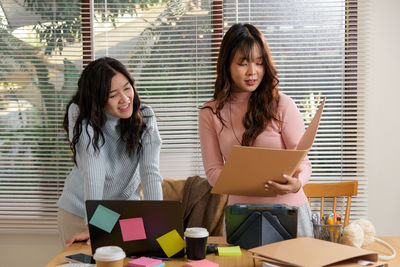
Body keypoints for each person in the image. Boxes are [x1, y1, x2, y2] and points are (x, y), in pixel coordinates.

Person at [199, 23, 313, 236]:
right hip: (241, 215)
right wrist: (244, 181)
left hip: (290, 212)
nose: (252, 72)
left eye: (259, 63)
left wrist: (296, 184)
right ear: (227, 65)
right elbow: (213, 171)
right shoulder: (210, 113)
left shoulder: (282, 105)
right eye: (243, 64)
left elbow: (303, 162)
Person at [57, 57, 163, 246]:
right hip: (82, 209)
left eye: (127, 87)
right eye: (113, 95)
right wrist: (95, 226)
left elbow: (150, 172)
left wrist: (158, 222)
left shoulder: (145, 115)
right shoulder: (80, 115)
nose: (125, 99)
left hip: (124, 208)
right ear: (96, 99)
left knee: (137, 259)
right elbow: (93, 173)